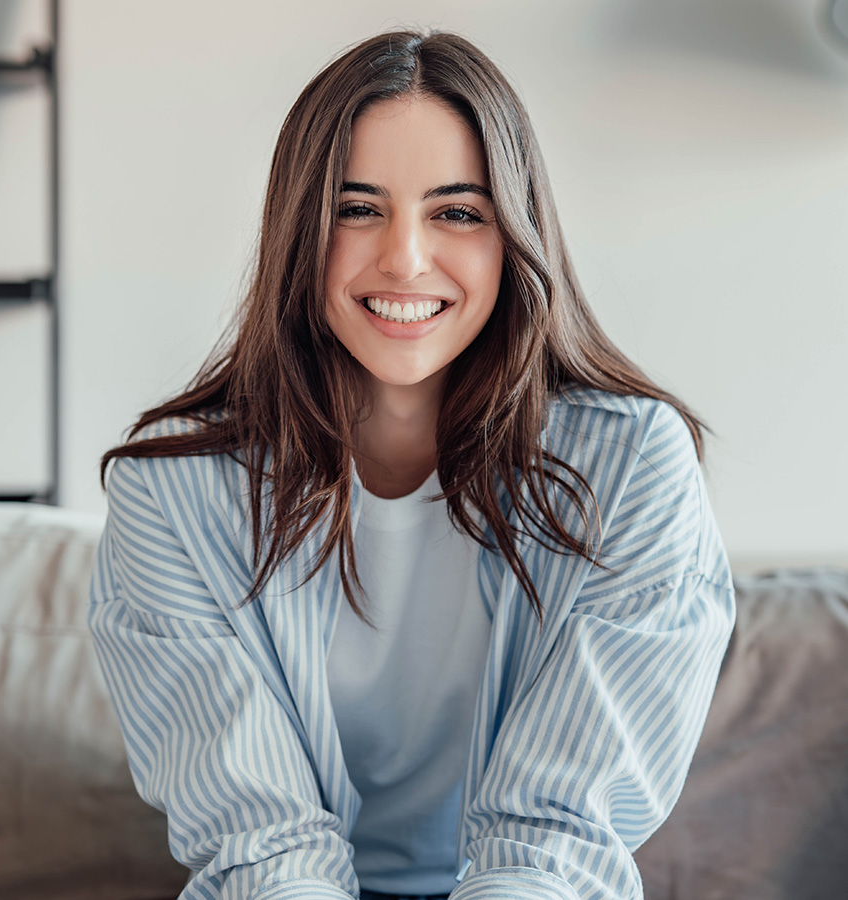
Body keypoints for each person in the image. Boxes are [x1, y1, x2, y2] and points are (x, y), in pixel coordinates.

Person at [89, 29, 735, 900]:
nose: (404, 258)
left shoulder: (631, 467)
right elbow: (257, 841)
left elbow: (557, 840)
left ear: (515, 235)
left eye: (457, 212)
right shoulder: (168, 494)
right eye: (358, 208)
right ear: (299, 229)